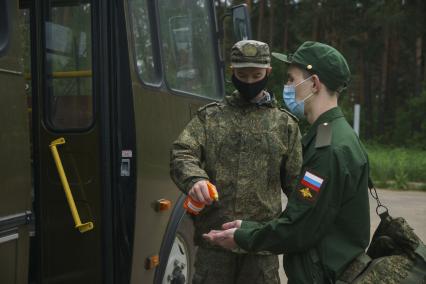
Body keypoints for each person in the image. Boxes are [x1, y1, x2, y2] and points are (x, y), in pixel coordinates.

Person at [204, 41, 371, 284]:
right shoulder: (328, 132)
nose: (287, 87)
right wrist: (248, 227)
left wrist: (243, 237)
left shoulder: (329, 148)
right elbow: (306, 216)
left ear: (314, 83)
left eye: (292, 80)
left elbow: (299, 228)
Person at [170, 40, 302, 284]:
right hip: (214, 245)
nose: (250, 81)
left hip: (260, 250)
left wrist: (295, 235)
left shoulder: (285, 125)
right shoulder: (210, 118)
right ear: (233, 73)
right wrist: (195, 179)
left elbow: (297, 190)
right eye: (243, 74)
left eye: (256, 74)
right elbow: (182, 152)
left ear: (268, 73)